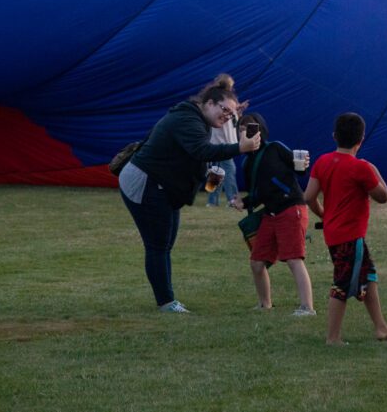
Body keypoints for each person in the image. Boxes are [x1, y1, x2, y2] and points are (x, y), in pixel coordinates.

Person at [117, 78, 260, 313]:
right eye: (225, 110)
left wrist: (208, 176)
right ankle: (166, 302)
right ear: (209, 103)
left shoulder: (197, 120)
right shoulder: (187, 118)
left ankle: (167, 299)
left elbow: (192, 156)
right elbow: (200, 150)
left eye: (231, 114)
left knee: (165, 243)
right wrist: (239, 148)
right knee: (158, 244)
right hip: (145, 182)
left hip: (162, 185)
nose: (227, 117)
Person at [304, 113, 387, 345]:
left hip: (333, 235)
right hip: (351, 237)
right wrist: (373, 170)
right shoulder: (361, 168)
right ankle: (333, 338)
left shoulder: (322, 162)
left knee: (368, 276)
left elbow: (309, 196)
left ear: (334, 136)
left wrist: (323, 214)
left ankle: (382, 328)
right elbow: (383, 196)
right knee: (342, 283)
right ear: (361, 139)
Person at [231, 112, 315, 316]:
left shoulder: (275, 148)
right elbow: (259, 192)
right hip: (270, 213)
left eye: (251, 128)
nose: (246, 133)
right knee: (257, 262)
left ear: (260, 130)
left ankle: (307, 307)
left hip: (291, 208)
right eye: (242, 130)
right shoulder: (247, 163)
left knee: (294, 258)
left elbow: (300, 169)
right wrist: (245, 201)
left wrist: (303, 163)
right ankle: (264, 304)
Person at [206, 73, 242, 207]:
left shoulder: (222, 99)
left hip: (219, 142)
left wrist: (237, 111)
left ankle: (212, 201)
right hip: (223, 142)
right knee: (229, 170)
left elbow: (230, 119)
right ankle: (232, 199)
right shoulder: (221, 99)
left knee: (216, 171)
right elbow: (224, 119)